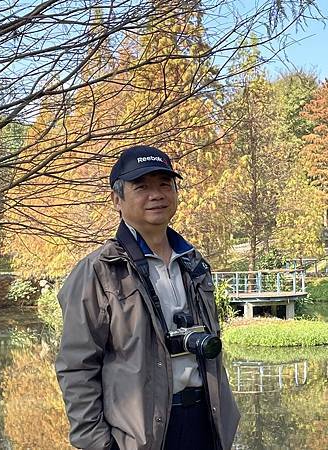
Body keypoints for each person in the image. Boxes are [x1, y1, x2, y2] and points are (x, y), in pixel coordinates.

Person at [55, 145, 239, 450]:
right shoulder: (98, 271)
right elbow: (77, 368)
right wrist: (99, 444)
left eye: (165, 184)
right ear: (117, 199)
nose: (156, 195)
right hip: (139, 434)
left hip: (205, 421)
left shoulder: (193, 262)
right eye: (141, 186)